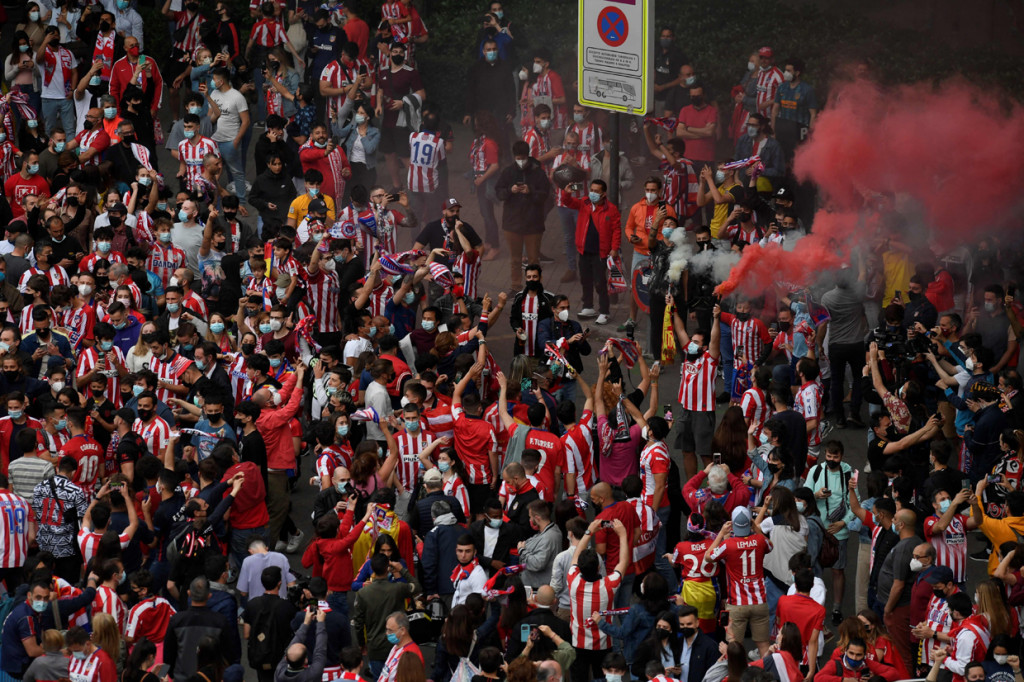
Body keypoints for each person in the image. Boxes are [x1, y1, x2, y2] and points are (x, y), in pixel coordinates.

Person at [567, 517, 628, 682]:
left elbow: (575, 555)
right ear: (599, 567)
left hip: (577, 643)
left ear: (579, 568)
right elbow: (623, 562)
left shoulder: (573, 580)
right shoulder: (609, 585)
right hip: (603, 645)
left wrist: (589, 532)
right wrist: (622, 535)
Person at [706, 507, 773, 657]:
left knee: (734, 648)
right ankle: (768, 677)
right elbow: (770, 546)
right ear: (749, 523)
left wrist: (721, 535)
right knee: (764, 645)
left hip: (737, 604)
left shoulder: (728, 545)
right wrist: (757, 528)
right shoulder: (760, 540)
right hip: (759, 601)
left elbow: (708, 556)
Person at [243, 566, 298, 682]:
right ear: (279, 583)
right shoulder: (287, 607)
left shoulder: (252, 604)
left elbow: (246, 634)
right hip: (279, 657)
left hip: (259, 655)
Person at [273, 606, 328, 682]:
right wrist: (320, 623)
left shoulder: (279, 672)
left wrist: (306, 623)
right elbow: (320, 650)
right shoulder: (312, 674)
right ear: (306, 660)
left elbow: (319, 652)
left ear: (286, 658)